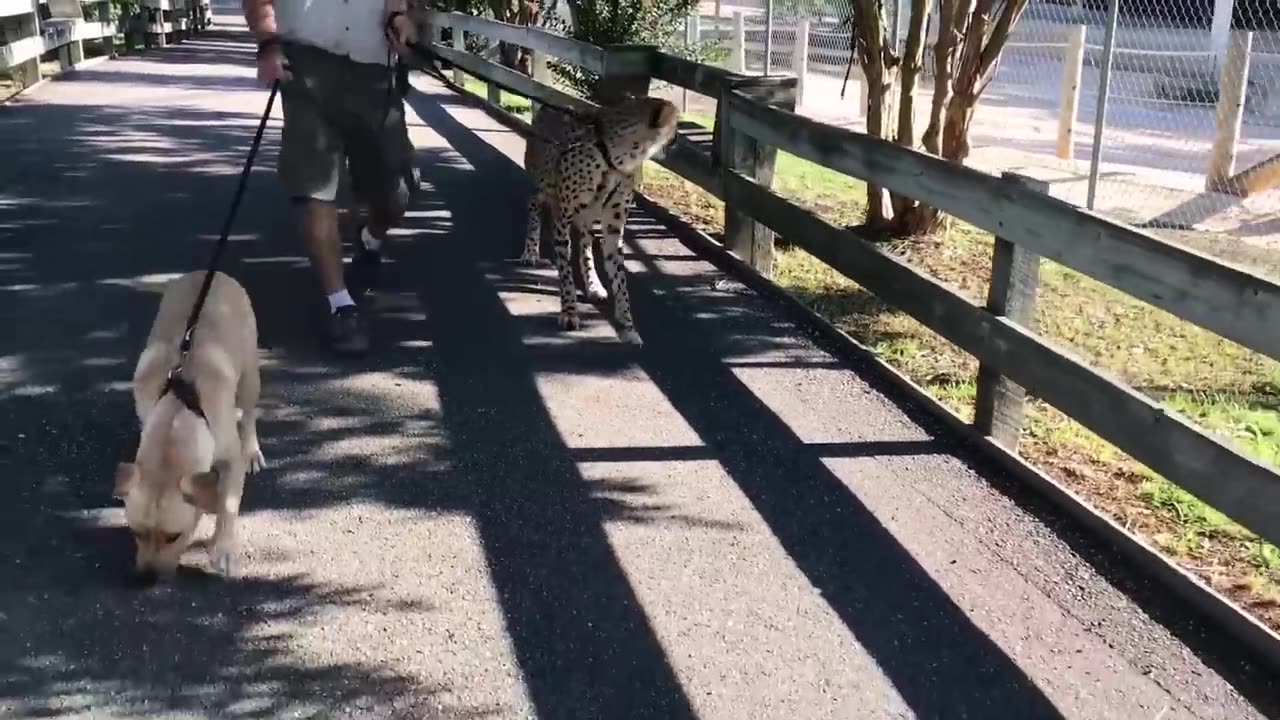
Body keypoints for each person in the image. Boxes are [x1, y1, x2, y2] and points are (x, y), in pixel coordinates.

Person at [241, 0, 418, 355]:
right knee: (314, 187)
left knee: (397, 192)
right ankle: (341, 306)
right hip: (306, 65)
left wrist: (401, 16)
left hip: (374, 71)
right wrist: (267, 43)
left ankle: (369, 235)